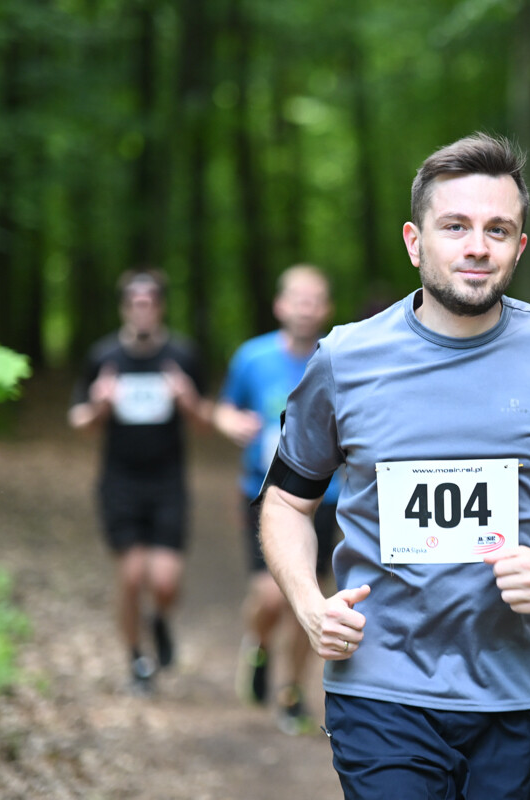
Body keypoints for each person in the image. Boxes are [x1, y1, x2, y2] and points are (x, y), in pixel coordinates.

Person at [256, 132, 530, 799]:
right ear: (416, 241)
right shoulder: (345, 359)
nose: (477, 246)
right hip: (380, 685)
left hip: (519, 690)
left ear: (519, 247)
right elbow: (286, 502)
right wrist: (307, 603)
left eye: (497, 229)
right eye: (456, 226)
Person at [69, 268, 210, 695]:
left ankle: (160, 620)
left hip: (167, 481)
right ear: (125, 307)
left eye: (150, 302)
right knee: (131, 577)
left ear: (161, 307)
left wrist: (187, 401)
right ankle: (136, 660)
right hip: (120, 481)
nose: (143, 310)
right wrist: (98, 405)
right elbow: (77, 421)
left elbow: (205, 421)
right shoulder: (104, 357)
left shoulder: (182, 355)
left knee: (164, 581)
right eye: (135, 302)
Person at [214, 264, 340, 734]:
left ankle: (291, 693)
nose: (306, 307)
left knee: (308, 595)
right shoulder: (253, 357)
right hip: (262, 493)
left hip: (326, 497)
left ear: (325, 308)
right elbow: (225, 406)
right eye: (297, 298)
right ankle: (259, 643)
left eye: (315, 299)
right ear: (280, 305)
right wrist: (229, 423)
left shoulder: (337, 357)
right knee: (269, 595)